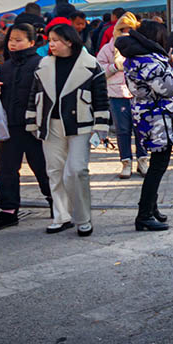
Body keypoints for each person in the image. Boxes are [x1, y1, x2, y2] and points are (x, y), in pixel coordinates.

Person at [26, 24, 109, 236]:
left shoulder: (91, 65)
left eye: (55, 40)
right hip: (50, 125)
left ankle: (83, 217)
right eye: (49, 40)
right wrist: (32, 121)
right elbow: (33, 95)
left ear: (69, 41)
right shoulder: (43, 65)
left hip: (81, 126)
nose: (50, 44)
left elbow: (101, 98)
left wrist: (100, 127)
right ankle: (61, 216)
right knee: (54, 172)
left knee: (76, 171)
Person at [116, 20, 173, 231]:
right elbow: (170, 87)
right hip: (158, 120)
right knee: (157, 168)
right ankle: (144, 215)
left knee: (157, 166)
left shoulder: (139, 58)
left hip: (151, 118)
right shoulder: (148, 61)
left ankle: (151, 208)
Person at [0, 23, 52, 231]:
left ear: (31, 42)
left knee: (42, 167)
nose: (13, 44)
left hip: (34, 126)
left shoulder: (42, 64)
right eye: (11, 40)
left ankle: (56, 201)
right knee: (5, 169)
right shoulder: (4, 67)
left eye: (19, 40)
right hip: (11, 126)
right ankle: (8, 210)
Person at [97, 12, 147, 179]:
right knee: (123, 129)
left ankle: (143, 159)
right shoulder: (108, 48)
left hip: (138, 92)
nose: (126, 32)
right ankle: (126, 161)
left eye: (130, 29)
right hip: (117, 94)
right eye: (122, 29)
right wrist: (114, 66)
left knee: (141, 128)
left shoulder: (141, 46)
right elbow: (98, 71)